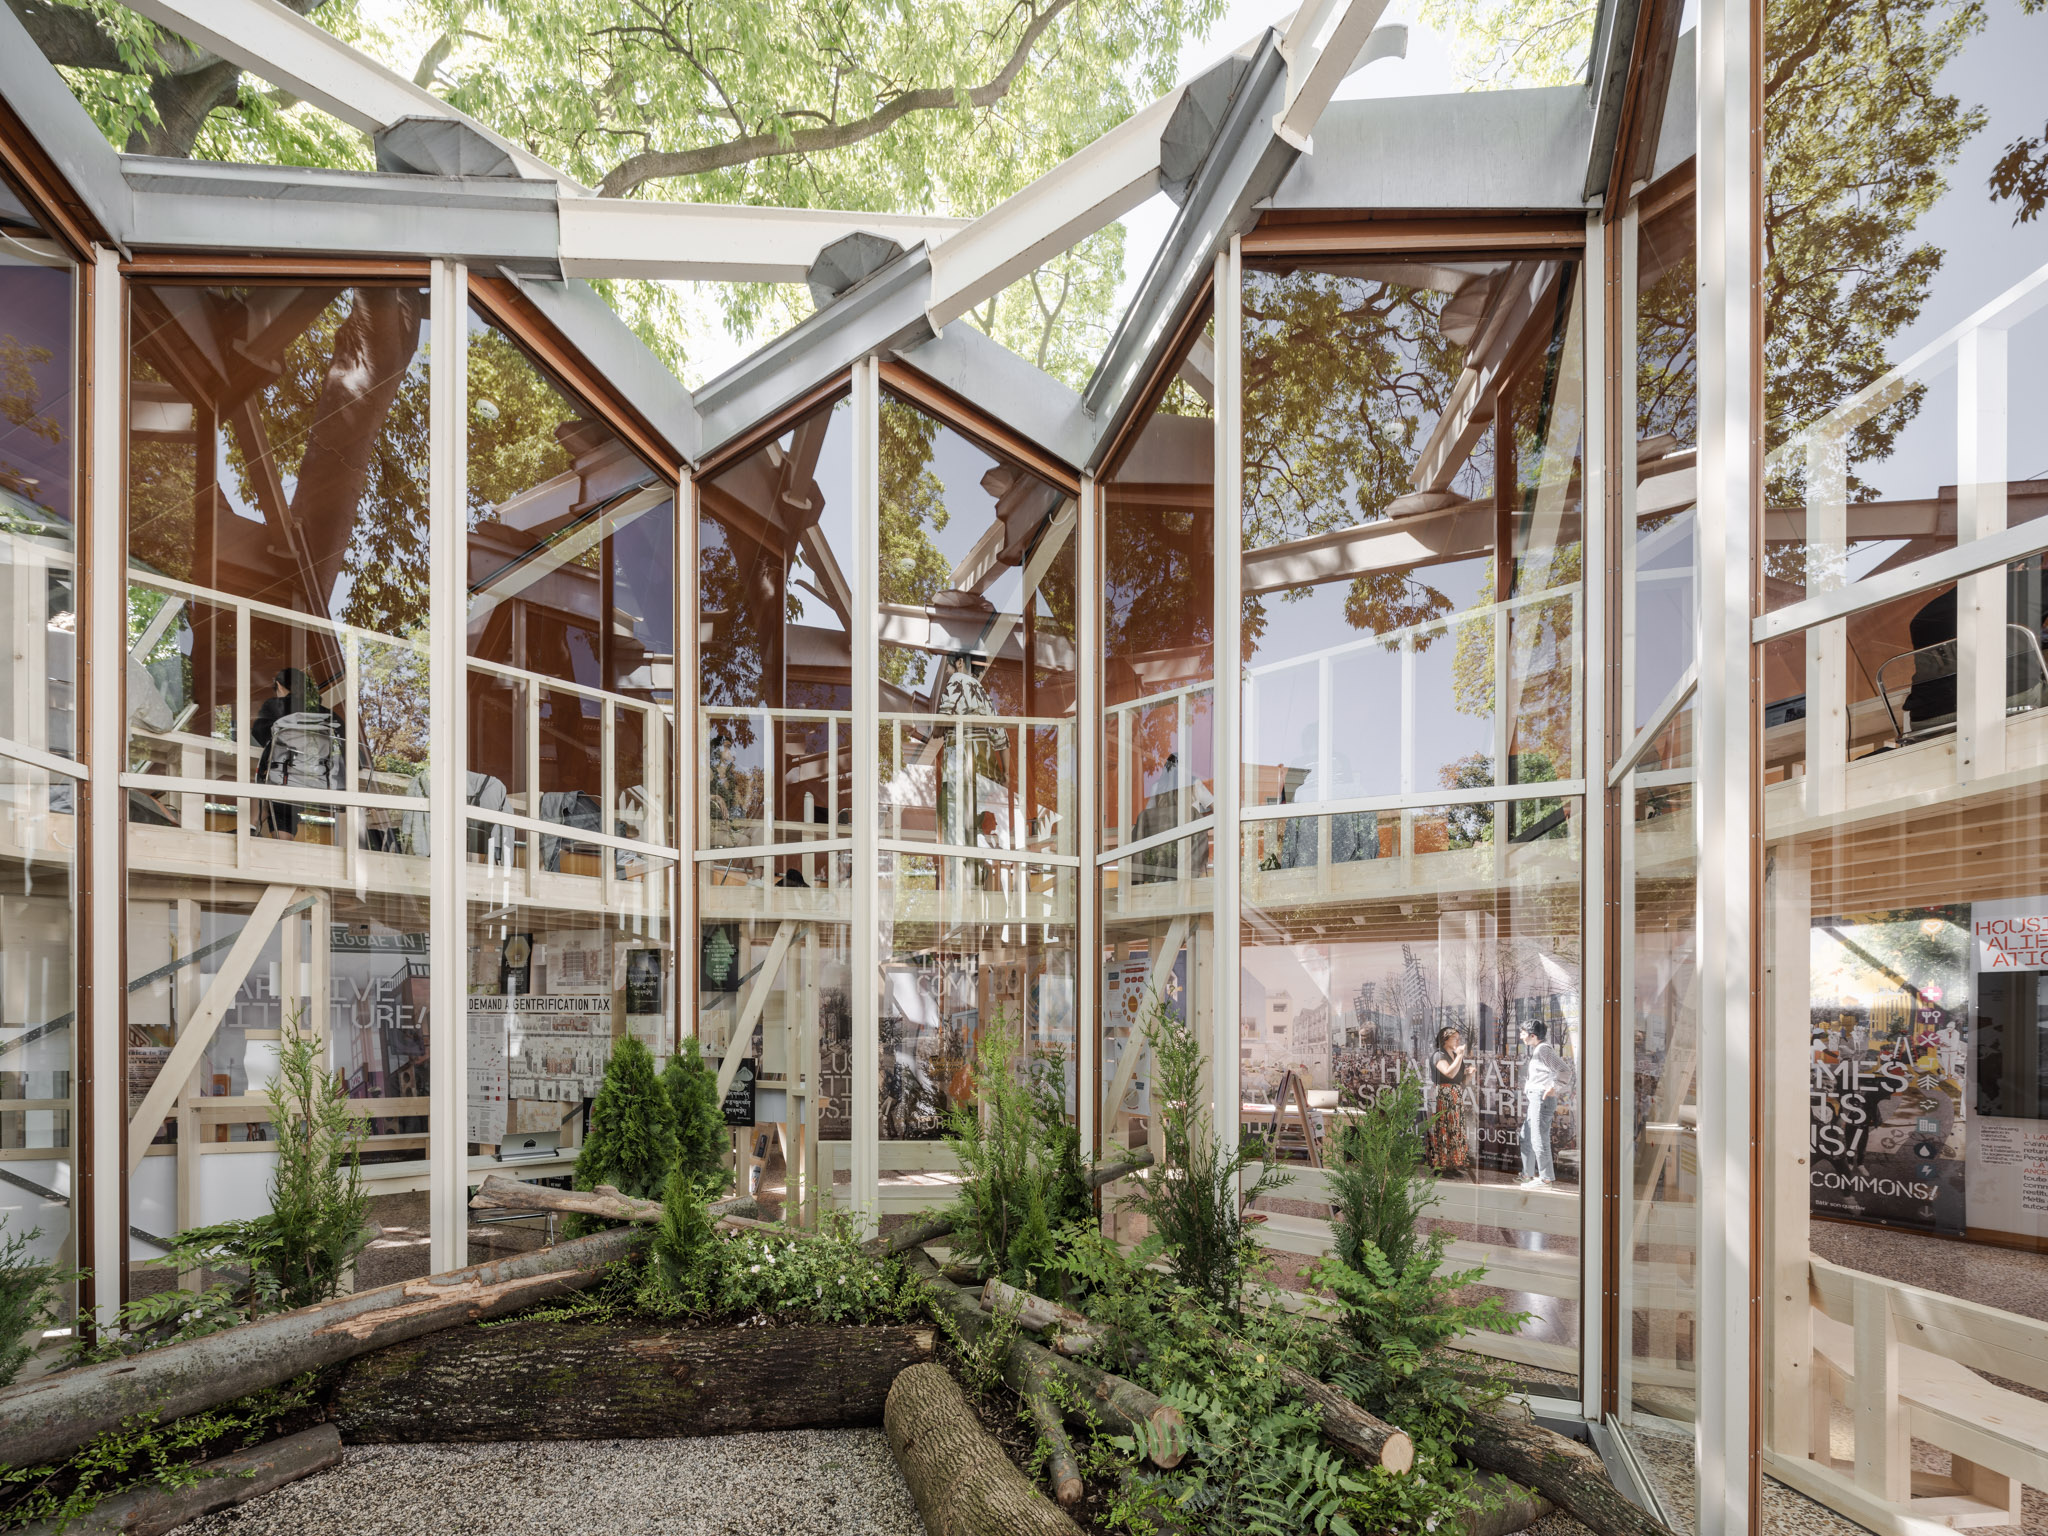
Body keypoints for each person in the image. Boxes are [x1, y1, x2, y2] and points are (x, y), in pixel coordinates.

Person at [252, 667, 342, 839]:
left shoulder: (275, 706)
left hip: (284, 780)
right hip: (318, 785)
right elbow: (348, 748)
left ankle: (251, 825)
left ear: (279, 686)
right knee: (283, 799)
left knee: (268, 786)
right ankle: (283, 842)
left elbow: (261, 735)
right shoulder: (329, 716)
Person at [1519, 1020, 1568, 1189]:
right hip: (1536, 1097)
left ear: (1533, 1036)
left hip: (1541, 1098)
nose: (1521, 1036)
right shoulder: (1538, 1050)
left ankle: (1545, 1178)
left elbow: (1564, 1070)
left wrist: (1554, 1087)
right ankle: (1528, 1175)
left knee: (1539, 1138)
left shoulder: (1543, 1050)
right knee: (1526, 1135)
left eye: (1523, 1033)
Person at [1425, 1024, 1475, 1176]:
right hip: (1443, 1094)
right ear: (1445, 1039)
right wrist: (1460, 1056)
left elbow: (1460, 1081)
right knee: (1443, 1129)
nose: (1458, 1041)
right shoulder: (1439, 1055)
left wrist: (1470, 1074)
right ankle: (1440, 1165)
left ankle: (1452, 1164)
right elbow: (1448, 1072)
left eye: (1458, 1038)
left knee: (1454, 1129)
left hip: (1455, 1094)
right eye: (1455, 1038)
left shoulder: (1454, 1055)